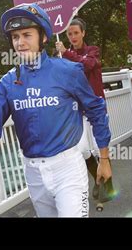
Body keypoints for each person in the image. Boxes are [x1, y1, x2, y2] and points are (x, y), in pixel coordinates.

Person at [0, 3, 112, 217]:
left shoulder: (69, 71)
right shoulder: (8, 82)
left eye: (27, 34)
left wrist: (104, 159)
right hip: (33, 174)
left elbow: (97, 111)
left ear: (43, 37)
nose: (20, 42)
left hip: (68, 170)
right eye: (15, 37)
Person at [54, 17, 105, 199]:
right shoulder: (63, 55)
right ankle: (98, 180)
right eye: (70, 33)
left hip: (95, 105)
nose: (73, 36)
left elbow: (87, 65)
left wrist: (66, 54)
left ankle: (108, 185)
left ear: (83, 33)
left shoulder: (93, 51)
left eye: (76, 33)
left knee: (101, 148)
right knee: (82, 149)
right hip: (77, 108)